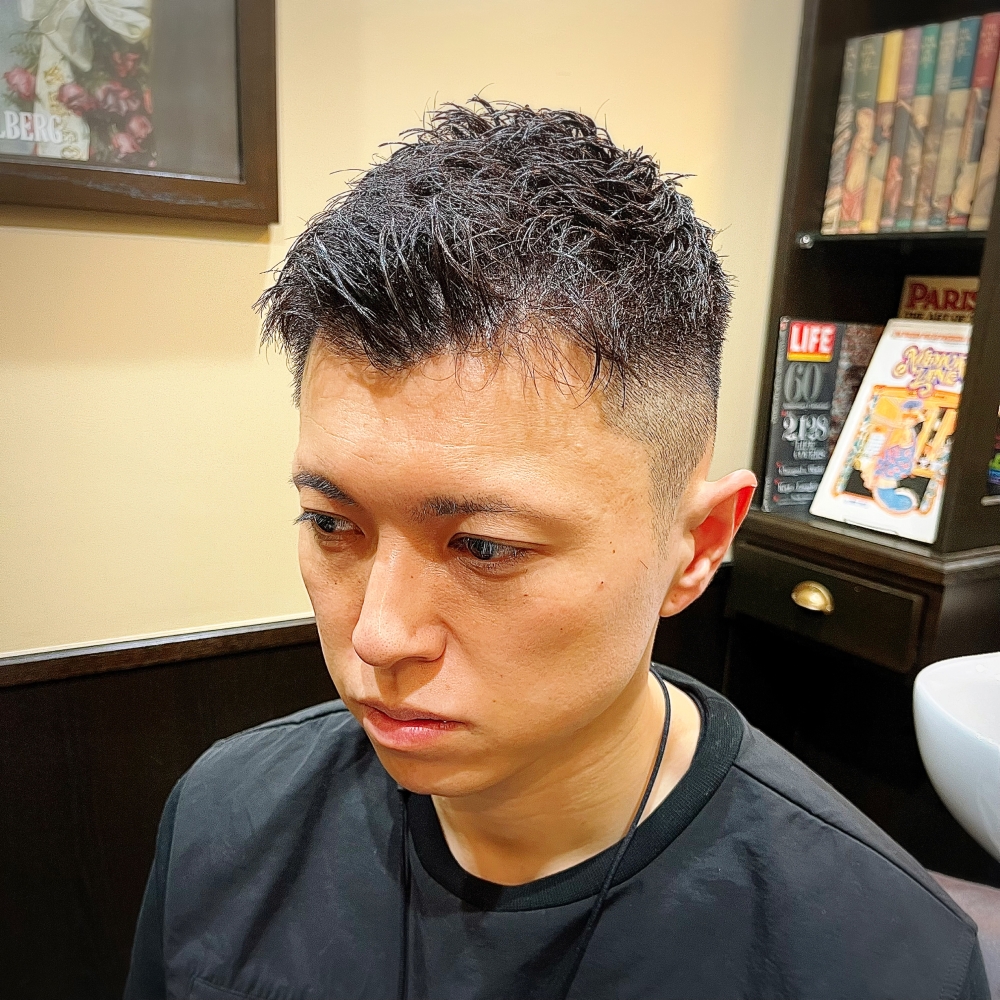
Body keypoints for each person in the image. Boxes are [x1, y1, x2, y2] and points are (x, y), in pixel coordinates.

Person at [125, 99, 989, 1000]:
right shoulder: (226, 820)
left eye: (484, 546)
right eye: (333, 524)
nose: (378, 636)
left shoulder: (880, 957)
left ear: (697, 547)